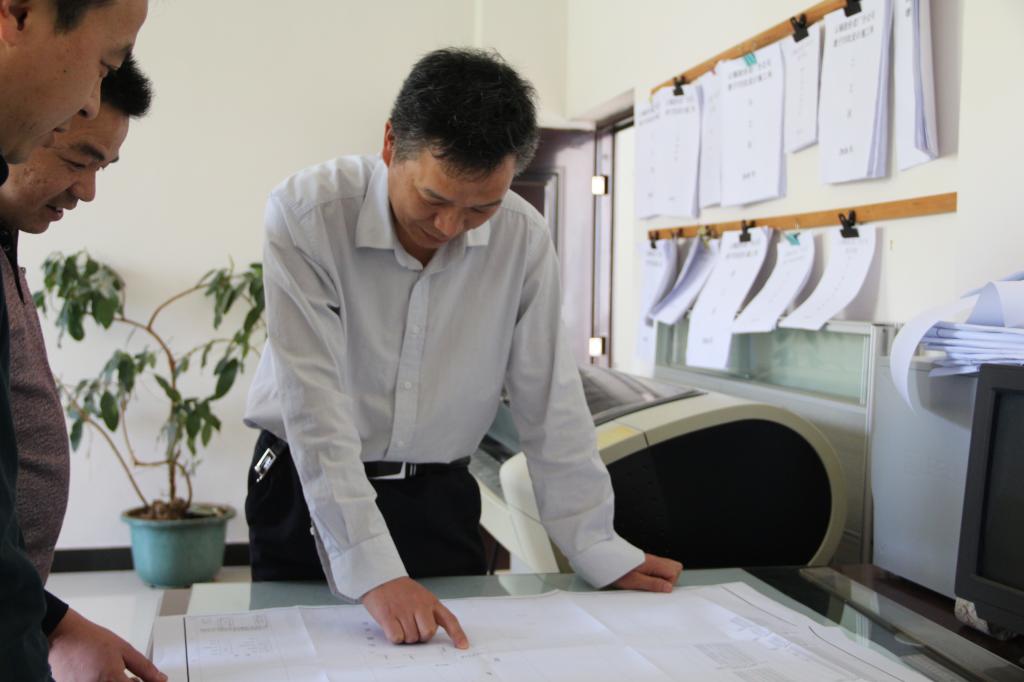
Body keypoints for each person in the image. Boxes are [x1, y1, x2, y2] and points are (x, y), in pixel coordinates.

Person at [244, 47, 683, 650]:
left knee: (457, 661)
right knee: (302, 657)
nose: (450, 227)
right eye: (434, 199)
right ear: (391, 144)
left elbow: (550, 399)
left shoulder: (522, 238)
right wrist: (374, 569)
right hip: (304, 485)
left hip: (438, 495)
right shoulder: (308, 215)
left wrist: (597, 546)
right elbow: (312, 401)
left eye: (481, 207)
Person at [0, 56, 165, 682]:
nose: (87, 190)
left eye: (101, 167)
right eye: (78, 159)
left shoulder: (7, 242)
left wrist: (52, 622)